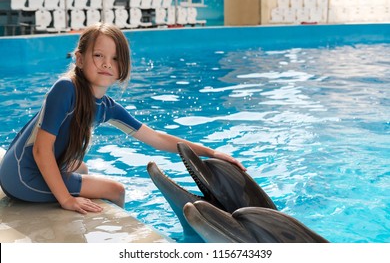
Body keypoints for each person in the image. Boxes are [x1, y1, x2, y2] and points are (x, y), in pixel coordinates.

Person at [0, 23, 245, 214]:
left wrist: (211, 153)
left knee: (82, 167)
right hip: (22, 177)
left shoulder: (107, 107)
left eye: (116, 58)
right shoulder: (65, 89)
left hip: (22, 168)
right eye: (99, 55)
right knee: (115, 190)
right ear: (80, 58)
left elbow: (158, 139)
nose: (108, 63)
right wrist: (66, 199)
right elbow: (42, 151)